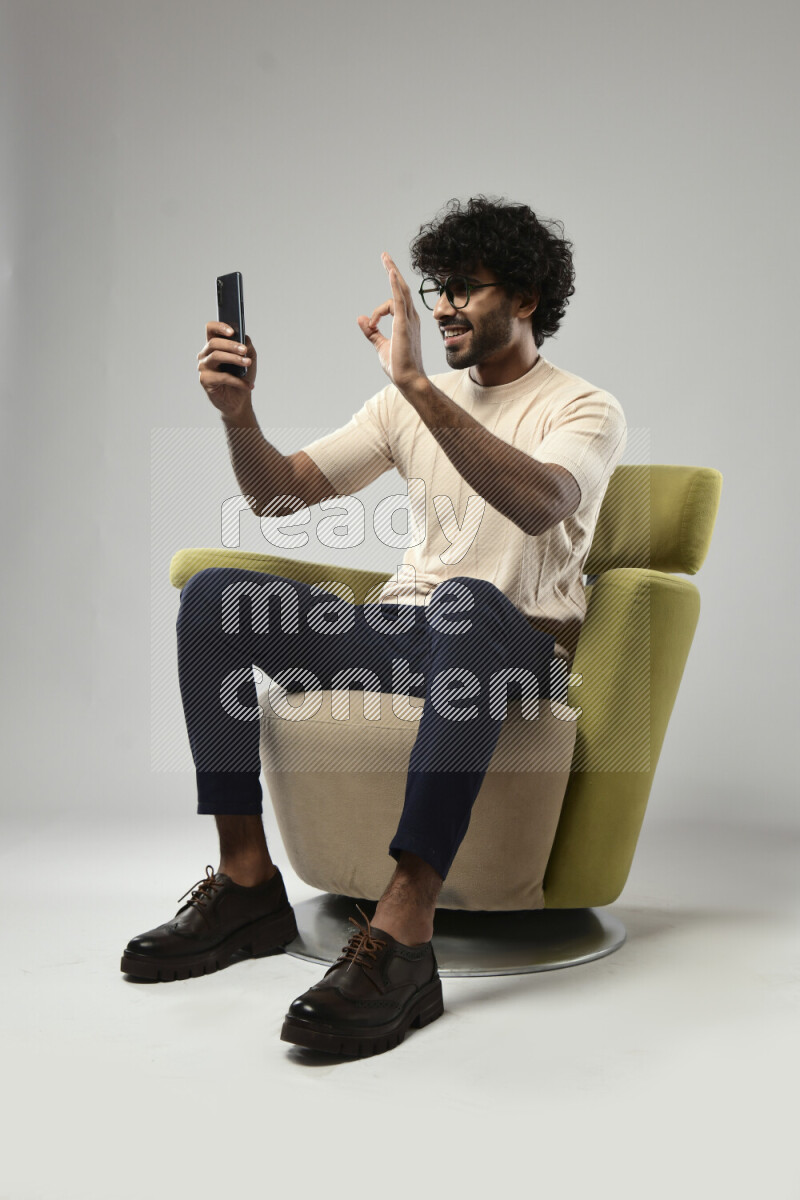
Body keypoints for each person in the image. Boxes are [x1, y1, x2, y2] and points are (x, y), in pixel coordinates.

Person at [121, 196, 628, 1057]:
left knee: (465, 604)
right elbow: (279, 494)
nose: (439, 307)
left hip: (511, 649)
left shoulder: (583, 409)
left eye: (465, 288)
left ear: (529, 297)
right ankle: (246, 883)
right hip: (404, 636)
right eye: (436, 288)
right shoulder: (402, 408)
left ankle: (401, 938)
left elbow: (540, 503)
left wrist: (418, 385)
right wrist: (239, 415)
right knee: (213, 597)